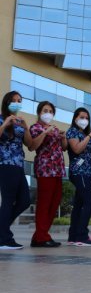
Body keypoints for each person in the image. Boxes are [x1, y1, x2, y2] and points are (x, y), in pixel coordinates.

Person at [29, 101, 67, 247]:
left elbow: (63, 148)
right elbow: (33, 146)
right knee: (44, 203)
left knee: (55, 201)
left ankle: (40, 235)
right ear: (39, 112)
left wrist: (62, 137)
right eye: (45, 110)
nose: (48, 113)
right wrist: (45, 132)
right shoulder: (36, 128)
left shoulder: (55, 129)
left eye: (51, 111)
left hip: (57, 170)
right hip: (45, 169)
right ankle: (41, 237)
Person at [66, 107, 91, 246]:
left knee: (79, 204)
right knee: (89, 201)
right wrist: (89, 136)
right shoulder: (72, 132)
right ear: (75, 118)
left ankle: (72, 236)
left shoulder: (86, 136)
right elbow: (76, 149)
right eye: (82, 117)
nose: (85, 120)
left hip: (87, 173)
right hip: (78, 172)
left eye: (87, 118)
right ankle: (81, 236)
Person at [0, 91, 32, 249]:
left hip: (19, 165)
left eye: (20, 100)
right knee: (8, 200)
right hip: (5, 165)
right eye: (14, 100)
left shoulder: (19, 122)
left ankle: (2, 230)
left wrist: (26, 128)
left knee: (25, 200)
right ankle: (4, 238)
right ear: (7, 102)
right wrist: (5, 124)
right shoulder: (1, 119)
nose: (17, 103)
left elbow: (31, 145)